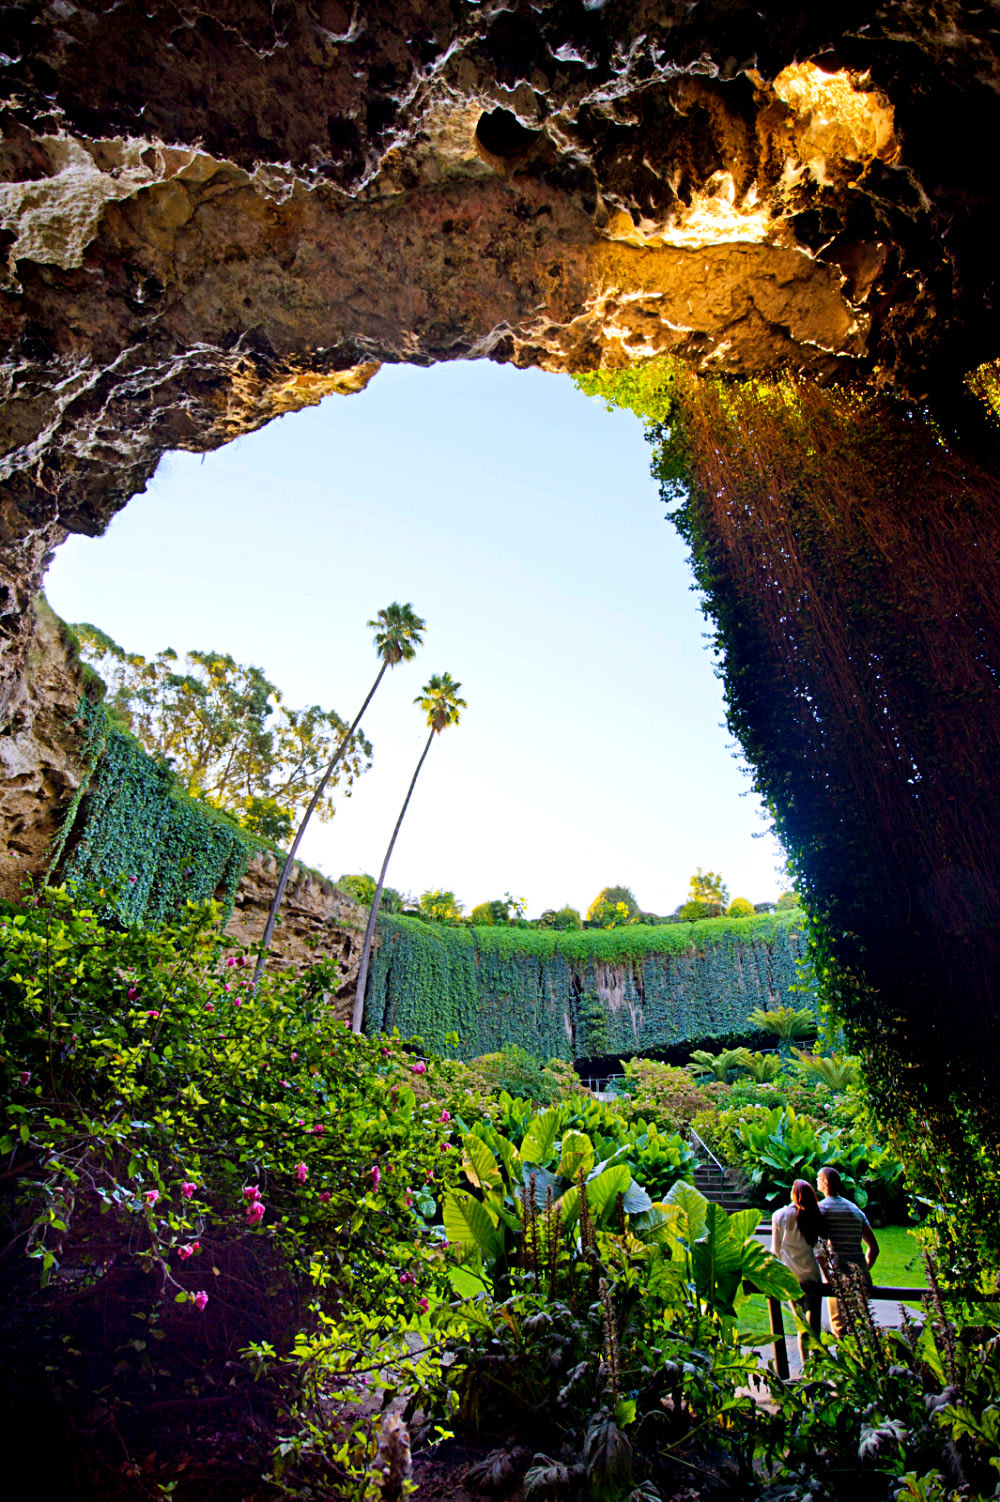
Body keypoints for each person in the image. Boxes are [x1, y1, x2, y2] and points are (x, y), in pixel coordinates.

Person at [816, 1164, 879, 1340]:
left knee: (840, 1328)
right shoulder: (855, 1210)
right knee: (862, 1326)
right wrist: (863, 1269)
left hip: (839, 1277)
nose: (816, 1182)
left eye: (818, 1179)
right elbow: (874, 1249)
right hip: (861, 1279)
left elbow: (819, 1249)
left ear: (826, 1183)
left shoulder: (821, 1209)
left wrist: (828, 1277)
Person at [772, 1178, 824, 1365]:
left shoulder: (779, 1216)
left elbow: (776, 1250)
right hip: (812, 1276)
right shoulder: (814, 1215)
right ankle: (816, 1366)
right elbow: (819, 1249)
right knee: (814, 1326)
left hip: (792, 1278)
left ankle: (805, 1365)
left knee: (800, 1323)